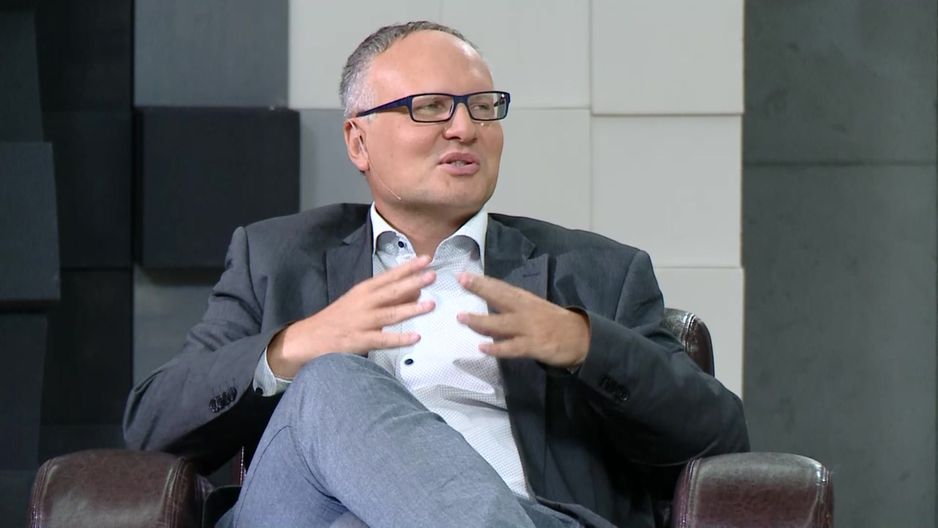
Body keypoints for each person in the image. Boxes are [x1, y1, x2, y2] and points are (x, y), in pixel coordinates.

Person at [123, 21, 748, 528]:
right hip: (301, 510)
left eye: (483, 107)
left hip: (532, 515)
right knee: (331, 381)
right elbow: (153, 427)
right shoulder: (275, 259)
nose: (465, 128)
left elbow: (717, 436)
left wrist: (584, 344)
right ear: (358, 141)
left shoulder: (596, 273)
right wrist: (295, 347)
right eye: (429, 108)